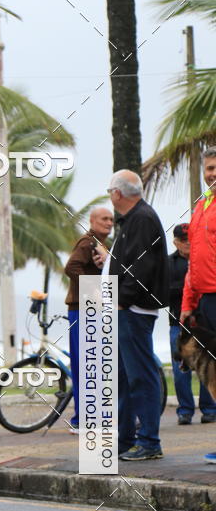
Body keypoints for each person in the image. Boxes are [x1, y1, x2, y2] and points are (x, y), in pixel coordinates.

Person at [93, 170, 169, 461]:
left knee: (141, 376)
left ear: (117, 194)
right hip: (126, 309)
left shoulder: (141, 219)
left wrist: (121, 300)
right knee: (124, 378)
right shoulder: (134, 219)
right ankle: (125, 439)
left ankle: (149, 441)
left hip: (133, 310)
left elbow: (142, 266)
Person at [180, 147, 216, 462]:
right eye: (208, 169)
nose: (212, 174)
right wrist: (188, 302)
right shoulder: (202, 206)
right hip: (205, 301)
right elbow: (194, 260)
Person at [64, 206, 114, 434]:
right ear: (92, 221)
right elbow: (71, 267)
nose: (109, 222)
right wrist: (92, 289)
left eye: (111, 219)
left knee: (92, 365)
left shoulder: (102, 245)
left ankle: (92, 416)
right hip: (83, 309)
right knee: (86, 365)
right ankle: (82, 419)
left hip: (91, 310)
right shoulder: (88, 242)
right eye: (104, 219)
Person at [169, 223, 216, 425]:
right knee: (181, 369)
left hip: (203, 321)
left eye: (191, 239)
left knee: (209, 367)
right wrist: (189, 290)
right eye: (185, 241)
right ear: (176, 242)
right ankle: (185, 410)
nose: (189, 244)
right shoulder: (169, 263)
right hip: (179, 323)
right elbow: (166, 291)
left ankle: (209, 409)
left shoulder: (203, 260)